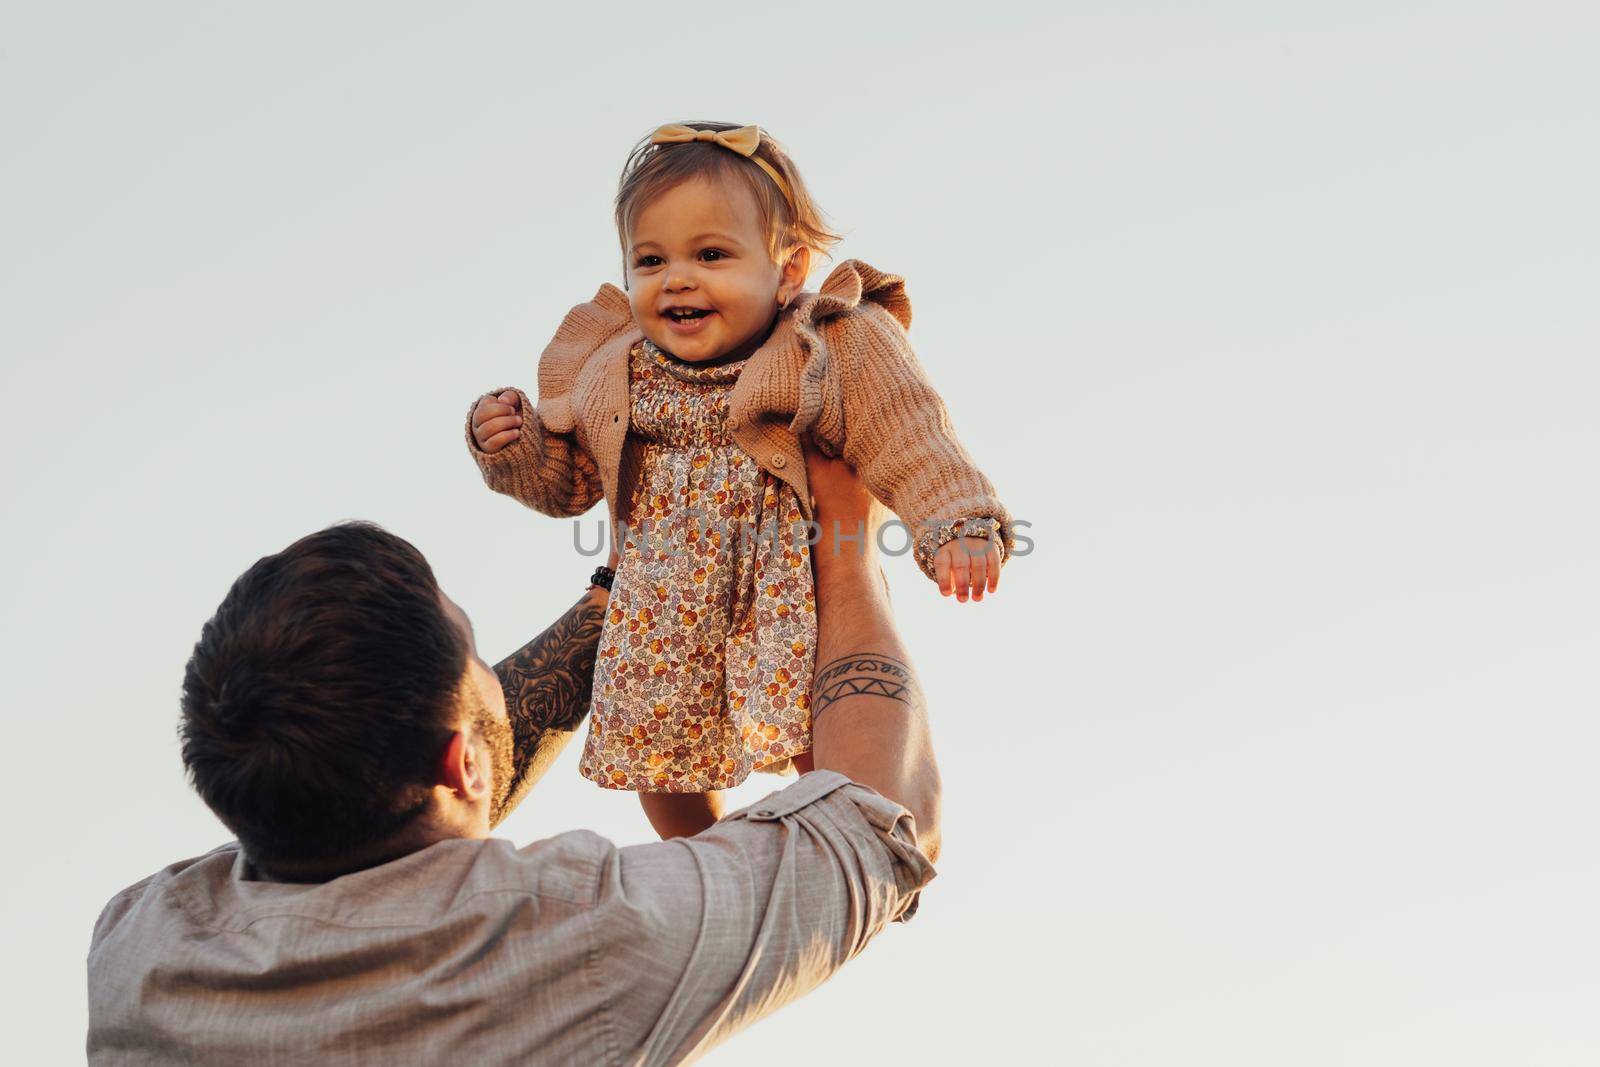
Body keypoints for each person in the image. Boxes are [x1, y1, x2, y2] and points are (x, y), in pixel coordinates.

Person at [87, 445, 941, 1065]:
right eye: (475, 651)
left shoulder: (140, 950)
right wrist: (847, 535)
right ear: (460, 767)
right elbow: (880, 826)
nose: (496, 671)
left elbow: (401, 777)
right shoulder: (578, 938)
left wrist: (622, 595)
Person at [467, 119, 1011, 839]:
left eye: (712, 254)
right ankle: (697, 855)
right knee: (656, 763)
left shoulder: (828, 341)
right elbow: (568, 482)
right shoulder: (612, 363)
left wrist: (957, 523)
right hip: (660, 613)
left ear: (787, 268)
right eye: (650, 260)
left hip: (785, 592)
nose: (677, 279)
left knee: (824, 746)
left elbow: (909, 433)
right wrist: (514, 445)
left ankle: (842, 848)